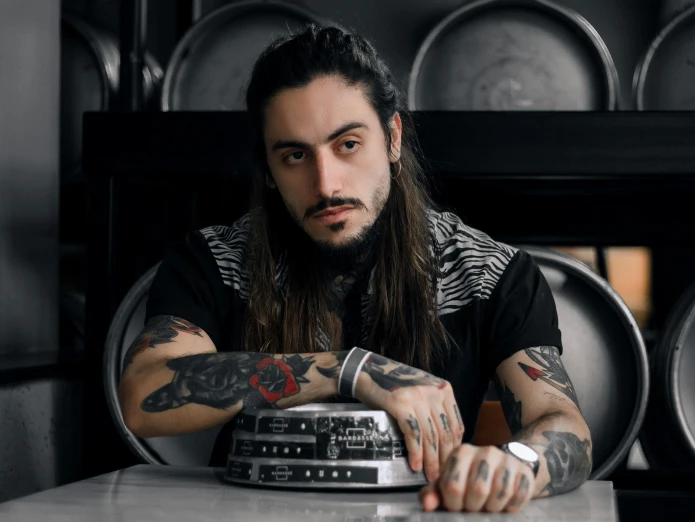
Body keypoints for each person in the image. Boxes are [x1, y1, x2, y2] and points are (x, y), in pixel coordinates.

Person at [119, 24, 592, 514]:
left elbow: (563, 424)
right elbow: (143, 394)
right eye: (295, 155)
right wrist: (347, 370)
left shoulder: (489, 272)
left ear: (392, 138)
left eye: (347, 144)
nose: (325, 184)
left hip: (425, 510)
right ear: (268, 170)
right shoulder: (214, 261)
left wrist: (518, 463)